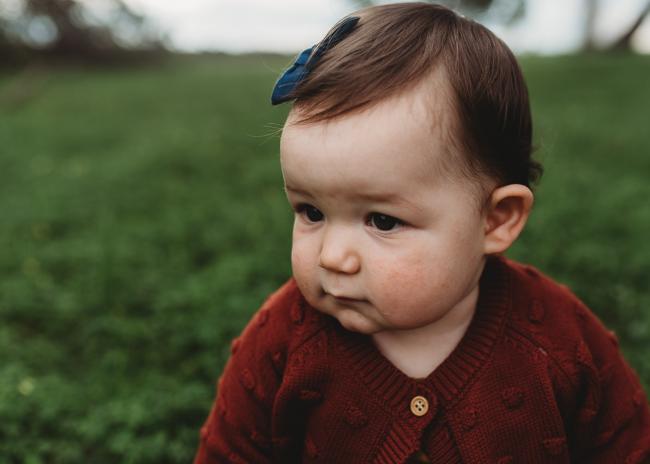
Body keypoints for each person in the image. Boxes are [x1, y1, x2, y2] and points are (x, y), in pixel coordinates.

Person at [194, 3, 650, 463]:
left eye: (383, 221)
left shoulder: (557, 338)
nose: (333, 257)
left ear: (496, 220)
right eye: (311, 211)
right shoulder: (285, 338)